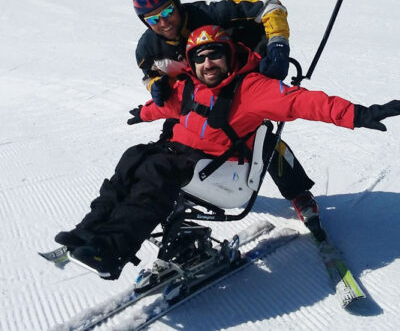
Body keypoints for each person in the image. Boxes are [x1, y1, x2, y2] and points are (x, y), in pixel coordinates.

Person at [55, 25, 400, 280]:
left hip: (226, 172)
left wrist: (359, 114)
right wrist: (143, 113)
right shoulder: (191, 84)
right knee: (135, 157)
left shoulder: (251, 88)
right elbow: (169, 105)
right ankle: (90, 230)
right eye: (200, 58)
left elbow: (305, 103)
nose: (208, 64)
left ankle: (113, 249)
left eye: (215, 54)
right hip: (188, 158)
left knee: (156, 170)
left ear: (229, 54)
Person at [132, 0, 322, 236]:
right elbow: (148, 73)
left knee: (259, 139)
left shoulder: (210, 13)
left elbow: (272, 6)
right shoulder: (148, 47)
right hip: (197, 93)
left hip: (241, 79)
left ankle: (298, 192)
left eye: (167, 11)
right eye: (153, 18)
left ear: (177, 4)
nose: (164, 22)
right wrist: (155, 84)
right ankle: (176, 184)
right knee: (174, 135)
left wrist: (277, 46)